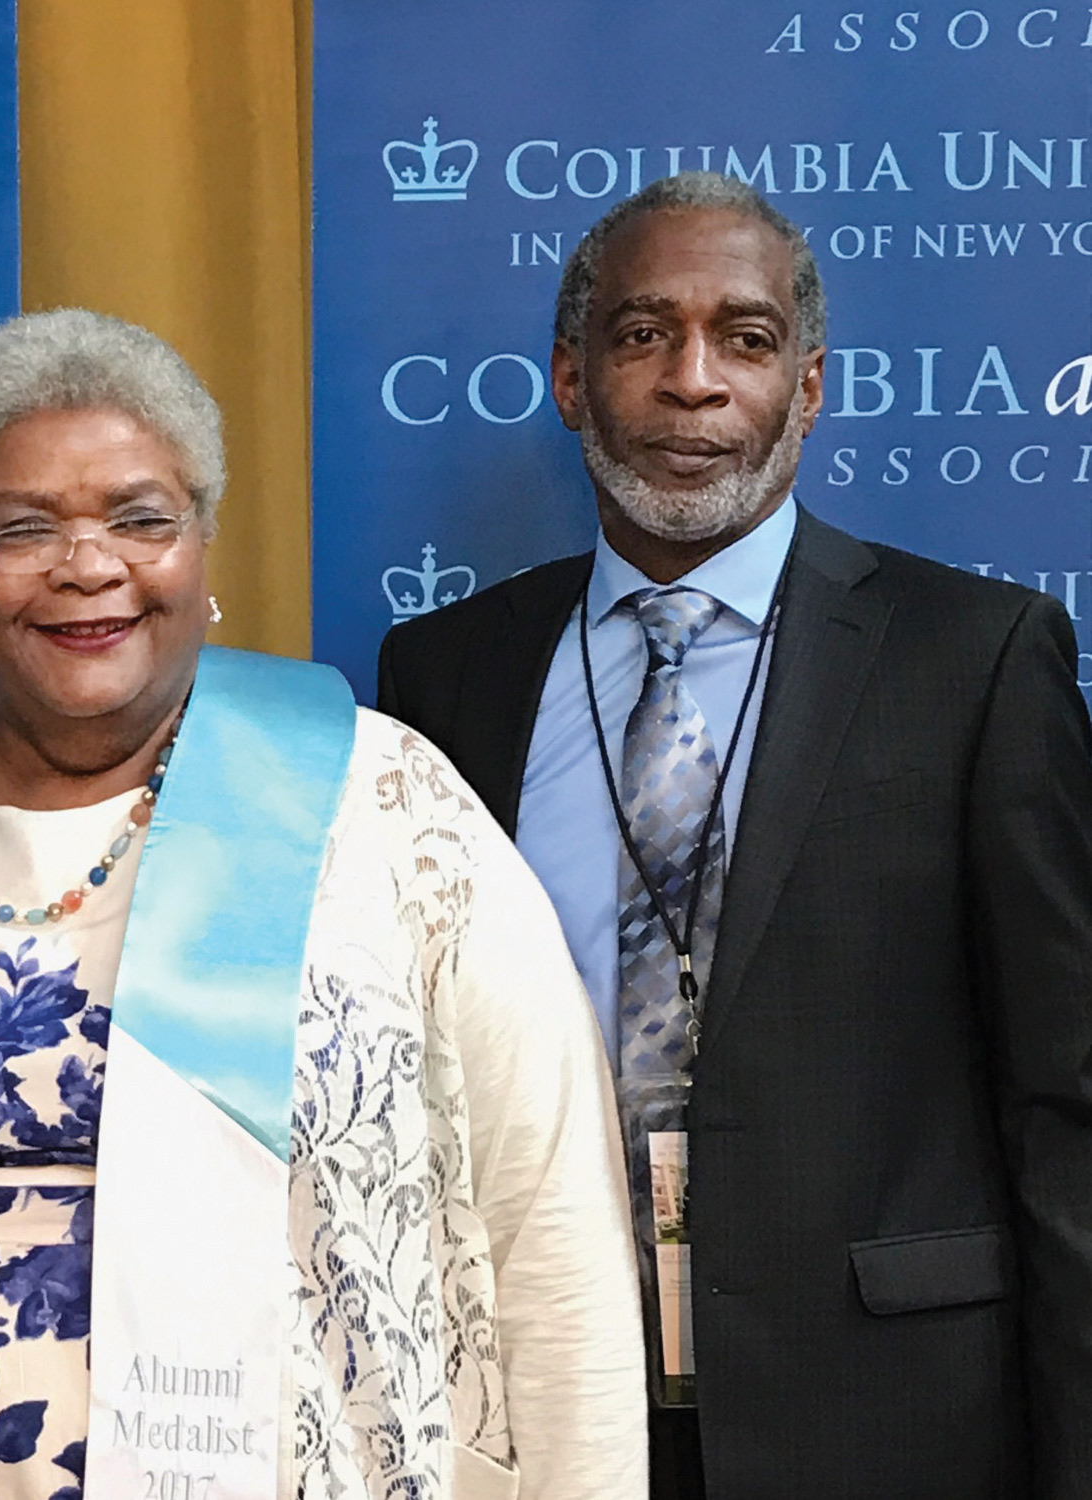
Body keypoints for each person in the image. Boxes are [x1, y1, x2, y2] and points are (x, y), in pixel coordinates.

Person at [0, 309, 644, 1500]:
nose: (88, 565)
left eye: (139, 519)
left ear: (203, 549)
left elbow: (548, 1220)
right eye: (23, 527)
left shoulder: (388, 807)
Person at [377, 172, 1092, 1499]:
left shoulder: (973, 660)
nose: (690, 383)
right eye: (641, 334)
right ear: (569, 382)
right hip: (540, 1405)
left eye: (744, 339)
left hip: (885, 1418)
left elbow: (1065, 1105)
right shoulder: (445, 674)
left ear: (805, 389)